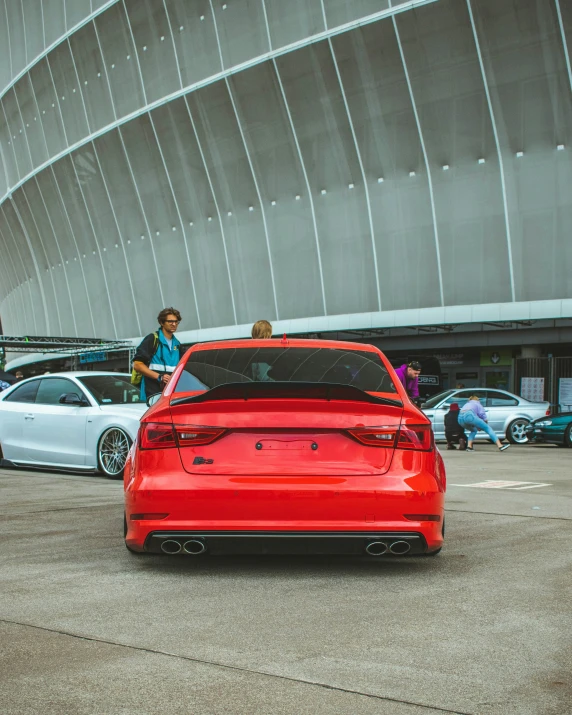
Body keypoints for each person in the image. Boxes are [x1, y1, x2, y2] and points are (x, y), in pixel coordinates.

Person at [132, 307, 182, 401]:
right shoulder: (152, 339)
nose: (174, 324)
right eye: (170, 321)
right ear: (162, 323)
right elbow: (137, 365)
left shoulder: (177, 344)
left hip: (170, 395)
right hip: (152, 395)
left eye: (176, 321)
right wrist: (159, 377)